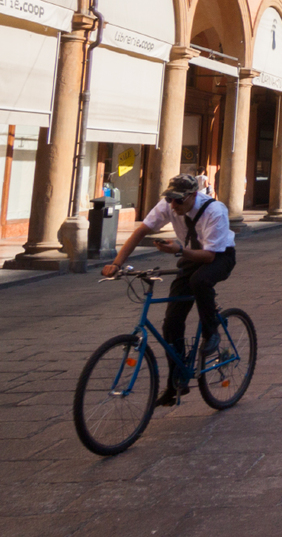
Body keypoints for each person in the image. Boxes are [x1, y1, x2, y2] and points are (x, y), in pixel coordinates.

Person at [104, 174, 236, 407]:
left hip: (219, 256)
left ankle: (211, 332)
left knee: (200, 282)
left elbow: (209, 256)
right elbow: (140, 231)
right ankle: (177, 382)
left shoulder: (215, 211)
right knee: (171, 322)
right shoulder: (169, 205)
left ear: (193, 196)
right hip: (190, 256)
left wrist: (178, 250)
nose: (173, 206)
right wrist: (117, 263)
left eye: (178, 201)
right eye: (170, 200)